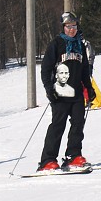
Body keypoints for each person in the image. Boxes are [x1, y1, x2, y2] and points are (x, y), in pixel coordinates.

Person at [38, 11, 96, 171]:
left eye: (74, 26)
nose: (72, 29)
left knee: (78, 124)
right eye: (69, 26)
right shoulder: (56, 44)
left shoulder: (80, 46)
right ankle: (47, 160)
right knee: (58, 125)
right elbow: (46, 69)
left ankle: (73, 156)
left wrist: (89, 88)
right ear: (63, 27)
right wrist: (49, 89)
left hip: (76, 93)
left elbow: (85, 69)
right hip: (60, 92)